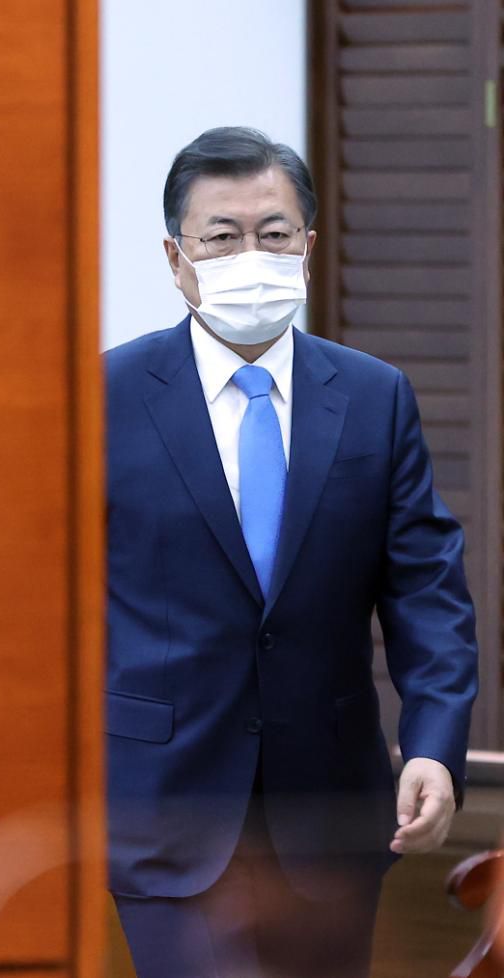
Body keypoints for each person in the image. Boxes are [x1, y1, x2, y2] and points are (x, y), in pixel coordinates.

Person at [105, 126, 478, 978]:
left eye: (272, 234)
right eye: (221, 237)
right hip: (164, 807)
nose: (251, 256)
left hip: (330, 814)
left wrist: (433, 743)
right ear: (175, 258)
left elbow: (426, 593)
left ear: (307, 247)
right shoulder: (104, 396)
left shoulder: (374, 397)